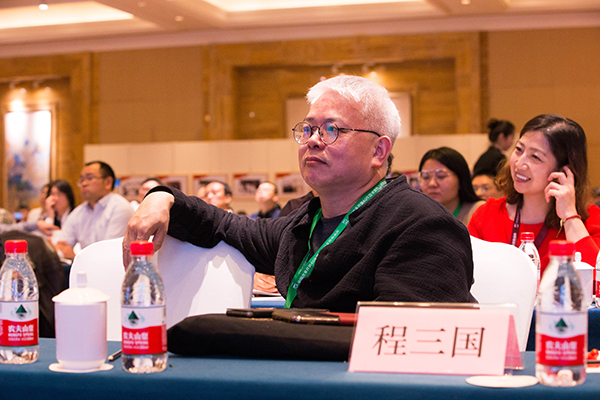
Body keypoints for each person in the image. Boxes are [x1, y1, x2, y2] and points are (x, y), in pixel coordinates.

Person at [123, 75, 474, 312]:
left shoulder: (420, 225)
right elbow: (223, 225)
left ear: (379, 151)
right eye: (308, 128)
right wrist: (160, 197)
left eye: (332, 129)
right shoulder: (304, 222)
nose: (313, 141)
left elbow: (402, 343)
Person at [468, 114, 600, 275]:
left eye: (535, 157)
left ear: (563, 170)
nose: (519, 163)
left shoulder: (589, 219)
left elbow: (594, 279)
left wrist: (570, 216)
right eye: (519, 150)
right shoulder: (487, 215)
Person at [54, 161, 134, 259]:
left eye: (89, 178)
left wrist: (76, 257)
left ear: (108, 182)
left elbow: (108, 254)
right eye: (81, 179)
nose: (84, 184)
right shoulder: (79, 211)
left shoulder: (120, 208)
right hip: (84, 265)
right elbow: (62, 246)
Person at [419, 147, 484, 226]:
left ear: (461, 180)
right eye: (426, 177)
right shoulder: (416, 216)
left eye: (441, 176)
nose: (432, 184)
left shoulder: (480, 211)